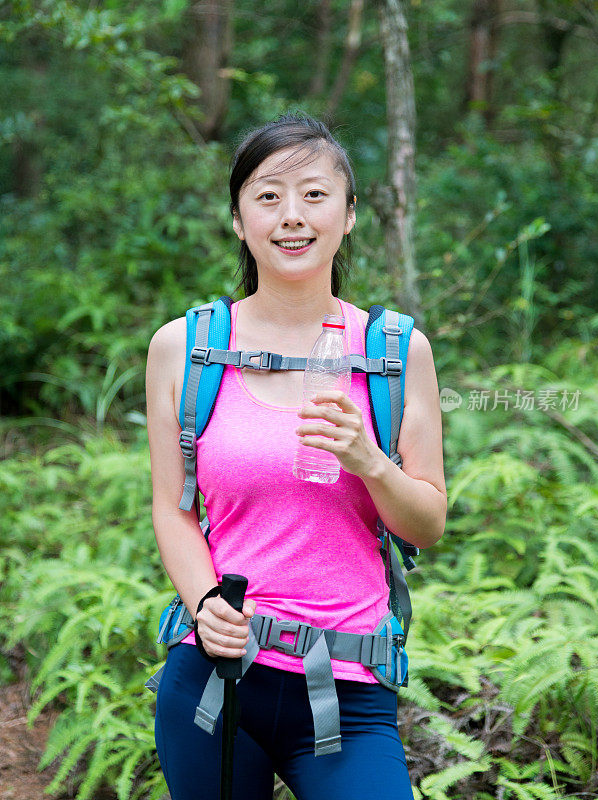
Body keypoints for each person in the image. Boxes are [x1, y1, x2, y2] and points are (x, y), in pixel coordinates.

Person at [145, 112, 447, 800]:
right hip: (215, 680)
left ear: (348, 215)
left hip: (346, 691)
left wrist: (370, 461)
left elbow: (426, 524)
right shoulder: (184, 348)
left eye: (313, 195)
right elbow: (172, 506)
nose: (291, 216)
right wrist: (202, 603)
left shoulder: (396, 354)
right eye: (267, 195)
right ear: (237, 219)